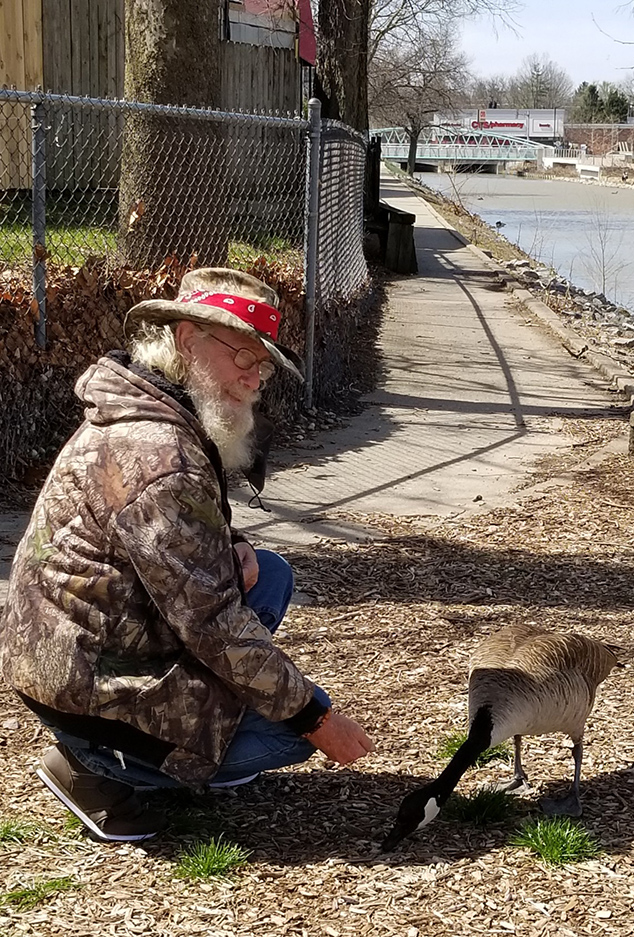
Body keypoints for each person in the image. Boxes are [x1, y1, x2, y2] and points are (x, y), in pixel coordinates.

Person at [0, 268, 374, 843]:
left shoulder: (155, 407)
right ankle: (96, 767)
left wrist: (235, 544)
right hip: (85, 677)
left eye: (263, 363)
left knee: (266, 574)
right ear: (185, 339)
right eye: (241, 356)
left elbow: (171, 542)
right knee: (287, 737)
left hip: (80, 639)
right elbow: (212, 622)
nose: (253, 378)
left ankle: (165, 745)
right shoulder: (159, 453)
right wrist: (316, 720)